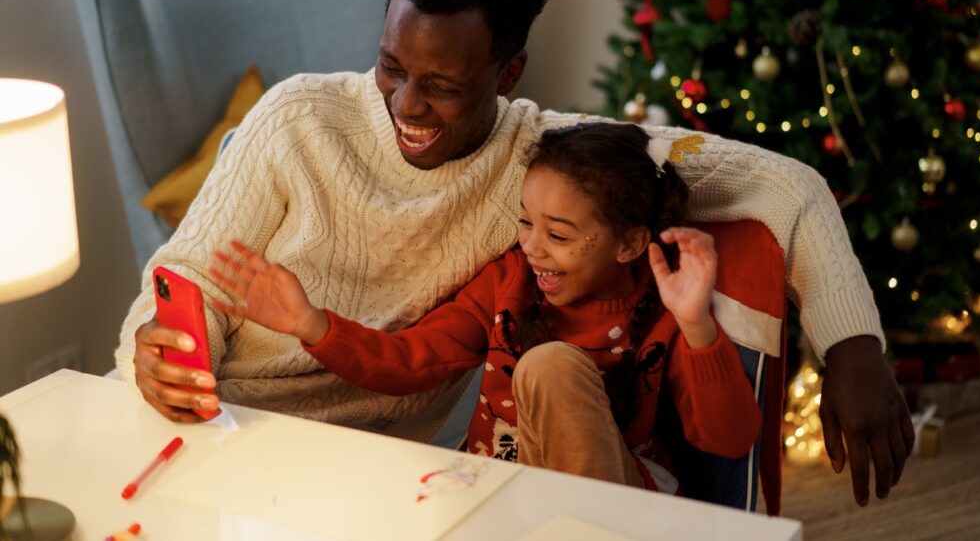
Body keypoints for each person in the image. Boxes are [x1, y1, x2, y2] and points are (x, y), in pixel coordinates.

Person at [117, 0, 913, 507]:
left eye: (444, 85)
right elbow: (184, 274)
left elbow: (785, 183)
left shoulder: (547, 166)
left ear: (509, 71)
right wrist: (157, 347)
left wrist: (851, 344)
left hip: (376, 477)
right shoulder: (299, 119)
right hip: (221, 426)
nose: (406, 103)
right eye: (391, 66)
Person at [206, 122, 762, 495]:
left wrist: (697, 327)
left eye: (560, 235)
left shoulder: (664, 308)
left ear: (629, 244)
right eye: (526, 221)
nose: (532, 246)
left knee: (550, 363)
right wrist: (312, 324)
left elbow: (730, 441)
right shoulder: (508, 283)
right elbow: (413, 359)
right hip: (506, 492)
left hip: (622, 504)